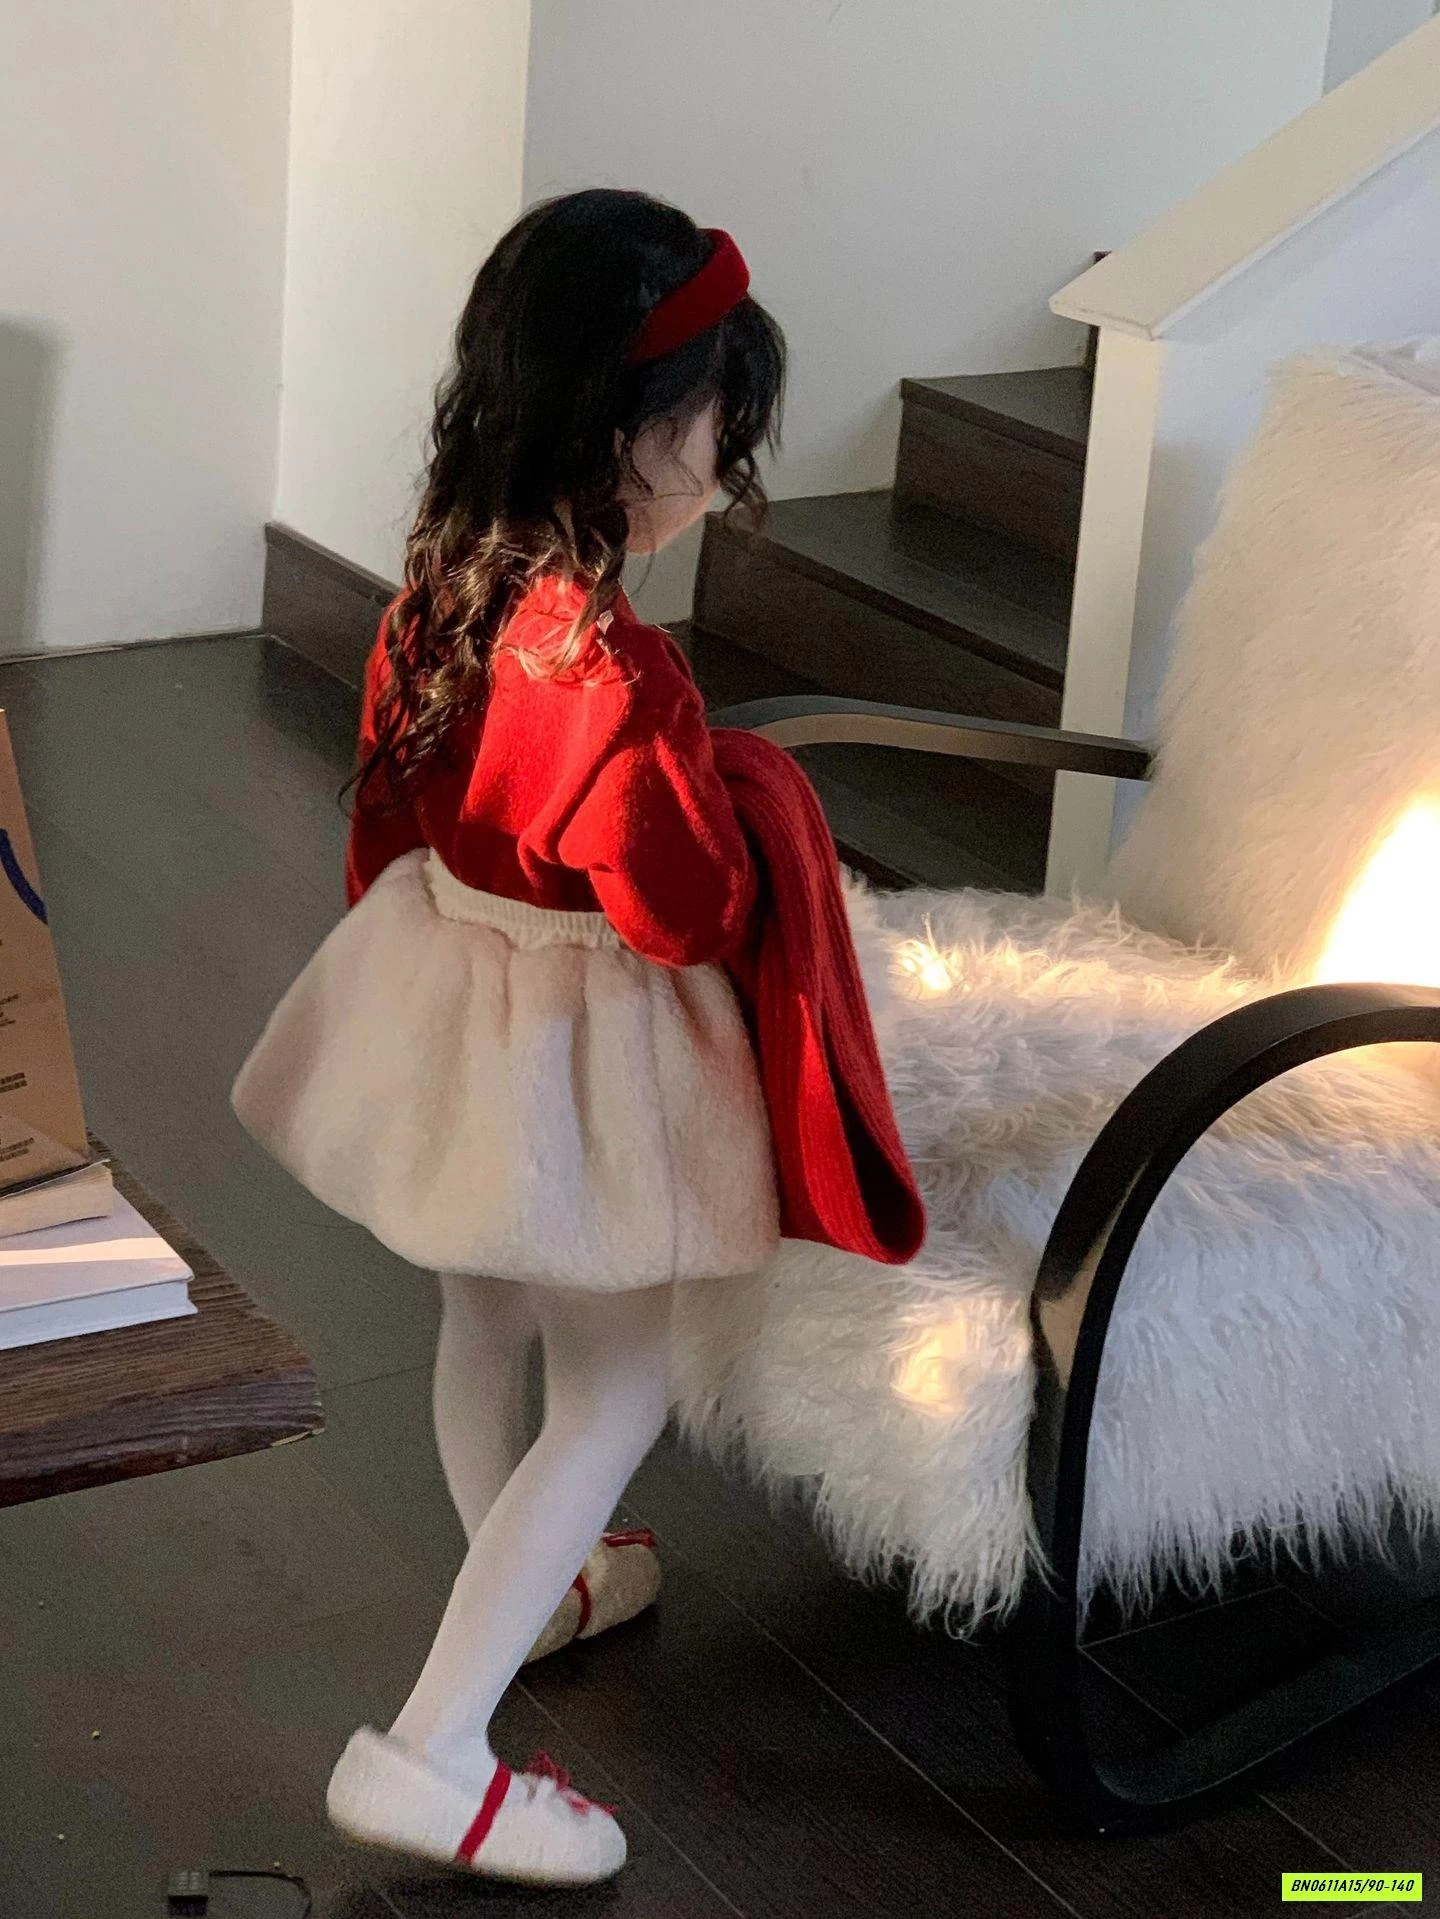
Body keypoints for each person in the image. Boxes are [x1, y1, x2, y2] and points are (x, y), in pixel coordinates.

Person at [233, 188, 789, 1887]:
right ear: (628, 429)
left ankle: (528, 1583)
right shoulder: (614, 670)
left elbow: (386, 812)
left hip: (455, 1003)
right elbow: (684, 907)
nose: (725, 473)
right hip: (581, 1045)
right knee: (614, 1387)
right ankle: (436, 1746)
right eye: (716, 430)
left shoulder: (443, 584)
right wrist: (748, 809)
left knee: (482, 1312)